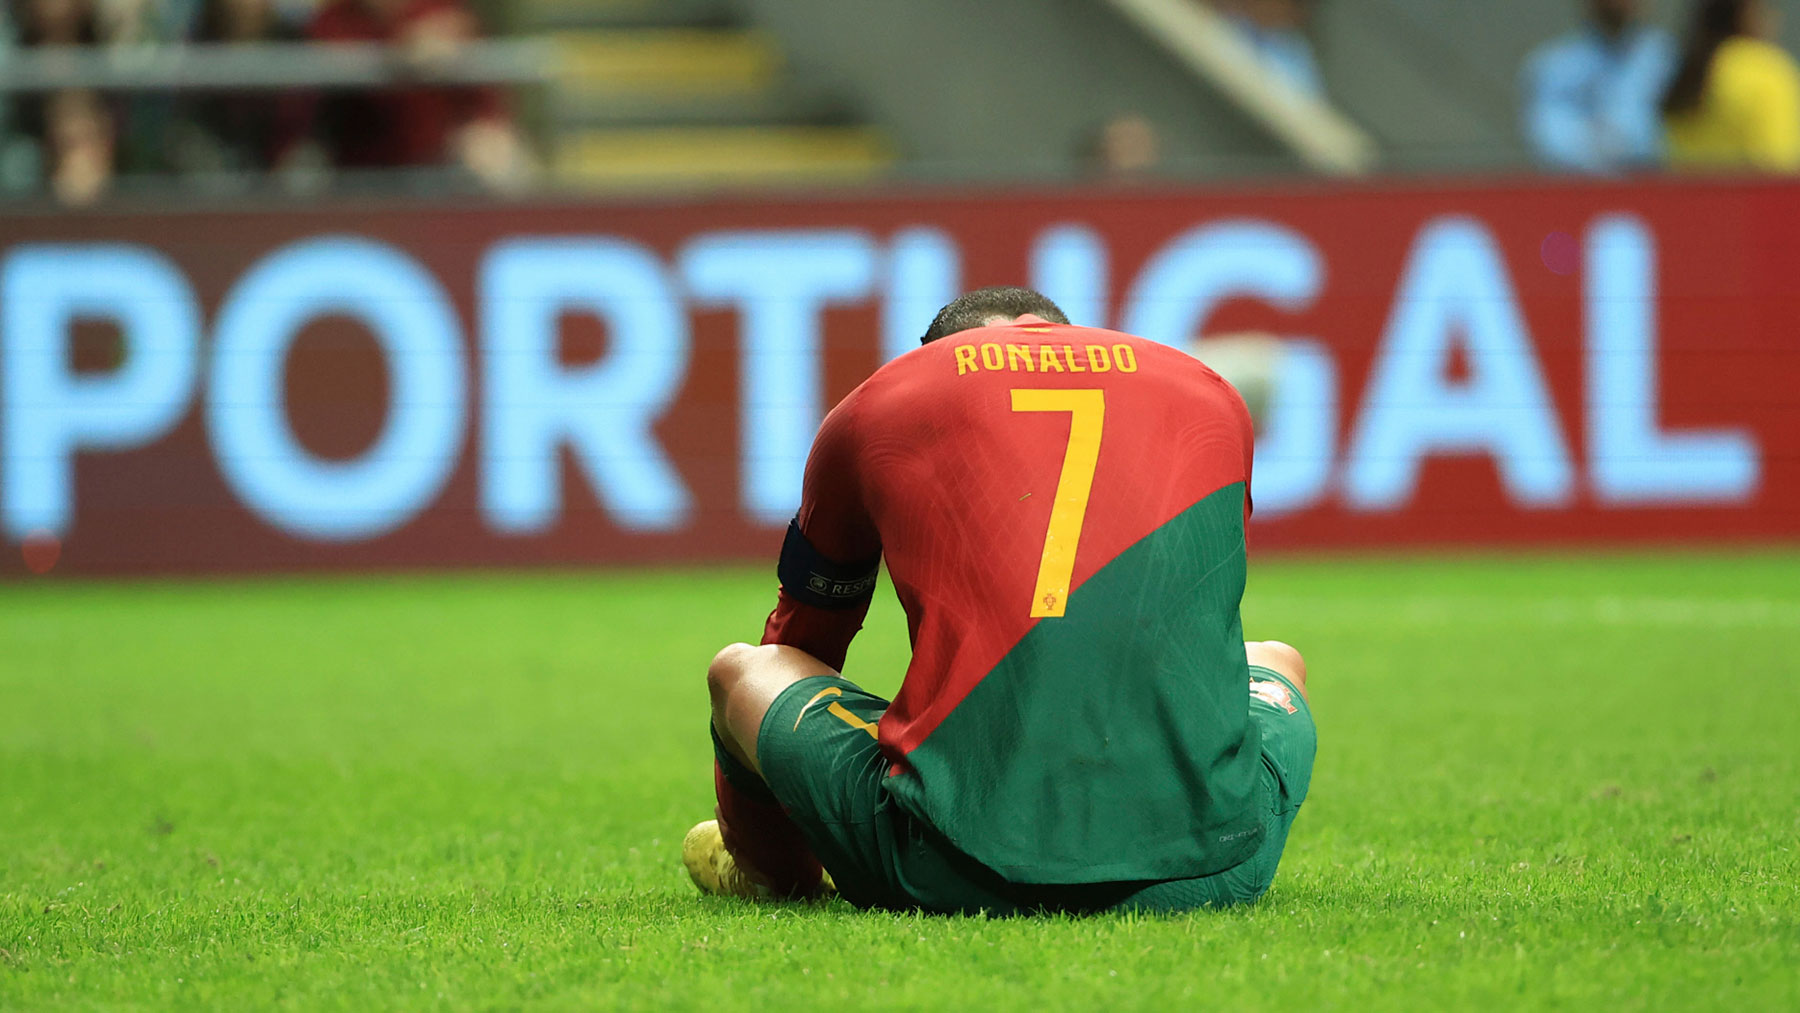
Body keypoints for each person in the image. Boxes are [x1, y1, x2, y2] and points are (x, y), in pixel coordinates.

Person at [681, 287, 1317, 915]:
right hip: (1220, 868)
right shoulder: (1209, 392)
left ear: (936, 353)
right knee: (1275, 659)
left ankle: (768, 876)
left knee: (745, 672)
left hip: (953, 868)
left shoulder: (884, 400)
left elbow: (804, 636)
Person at [301, 0, 532, 191]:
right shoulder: (335, 17)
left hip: (444, 157)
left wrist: (486, 129)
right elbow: (341, 64)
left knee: (499, 157)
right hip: (360, 167)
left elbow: (482, 98)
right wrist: (404, 50)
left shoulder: (441, 8)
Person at [1521, 0, 1675, 173]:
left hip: (1655, 182)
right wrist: (1598, 147)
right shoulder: (1554, 65)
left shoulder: (1666, 58)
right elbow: (1547, 132)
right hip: (1577, 184)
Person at [1662, 0, 1800, 172]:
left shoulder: (1685, 70)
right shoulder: (1768, 71)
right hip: (1749, 197)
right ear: (1745, 15)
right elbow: (1779, 169)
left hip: (1686, 195)